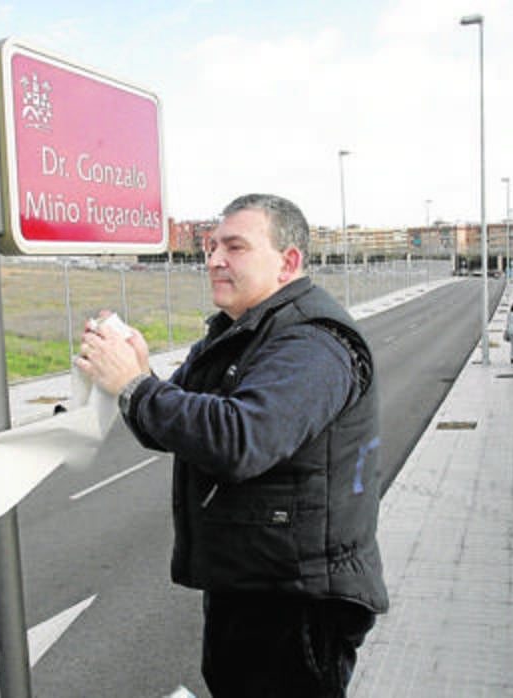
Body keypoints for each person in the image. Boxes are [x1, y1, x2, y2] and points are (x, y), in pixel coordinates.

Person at [74, 193, 387, 697]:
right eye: (212, 246)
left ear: (288, 262)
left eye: (235, 247)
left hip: (297, 599)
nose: (215, 259)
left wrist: (136, 385)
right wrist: (138, 372)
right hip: (251, 586)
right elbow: (172, 425)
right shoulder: (240, 332)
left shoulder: (314, 342)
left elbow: (241, 440)